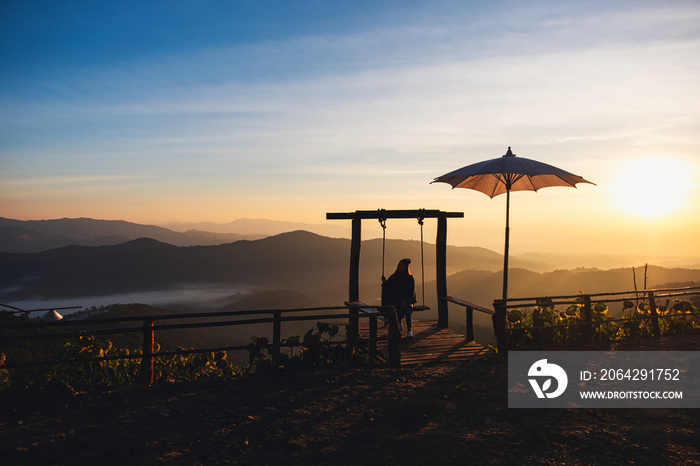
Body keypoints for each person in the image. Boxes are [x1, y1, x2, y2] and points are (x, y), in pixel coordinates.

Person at [381, 258, 417, 338]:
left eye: (402, 266)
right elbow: (388, 286)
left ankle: (409, 330)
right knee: (398, 312)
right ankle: (399, 323)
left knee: (407, 311)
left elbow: (411, 291)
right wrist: (384, 282)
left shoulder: (410, 278)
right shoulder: (394, 277)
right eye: (399, 266)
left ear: (406, 267)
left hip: (407, 301)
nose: (400, 268)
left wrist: (405, 301)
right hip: (396, 301)